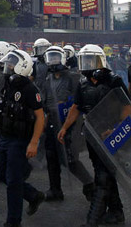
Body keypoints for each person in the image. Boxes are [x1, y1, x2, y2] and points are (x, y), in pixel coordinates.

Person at [58, 44, 129, 227]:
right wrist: (65, 127)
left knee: (102, 177)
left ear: (100, 61)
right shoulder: (83, 84)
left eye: (91, 60)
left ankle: (93, 220)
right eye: (85, 60)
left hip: (111, 134)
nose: (88, 65)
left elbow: (127, 107)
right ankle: (116, 213)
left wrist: (118, 128)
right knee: (104, 173)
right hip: (92, 134)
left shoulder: (114, 81)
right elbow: (76, 107)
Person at [0, 49, 46, 227]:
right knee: (1, 173)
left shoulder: (30, 90)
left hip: (20, 140)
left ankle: (13, 221)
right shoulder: (9, 84)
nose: (8, 67)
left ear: (22, 67)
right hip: (5, 137)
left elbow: (40, 117)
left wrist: (34, 142)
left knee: (13, 182)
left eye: (12, 64)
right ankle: (32, 195)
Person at [42, 45, 94, 202]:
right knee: (51, 156)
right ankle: (55, 189)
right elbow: (45, 102)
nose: (53, 61)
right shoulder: (47, 79)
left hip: (69, 122)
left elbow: (77, 102)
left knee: (69, 159)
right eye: (51, 58)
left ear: (63, 59)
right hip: (52, 120)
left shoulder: (73, 77)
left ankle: (90, 186)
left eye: (56, 57)